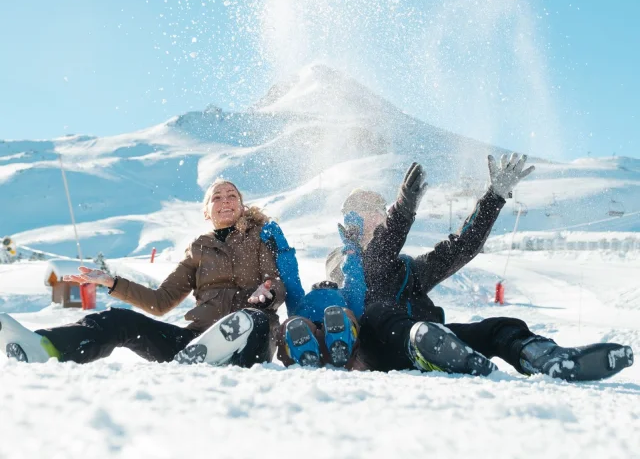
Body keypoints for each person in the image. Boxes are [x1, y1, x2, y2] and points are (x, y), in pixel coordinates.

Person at [330, 156, 634, 381]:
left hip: (437, 344)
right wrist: (404, 210)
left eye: (376, 211)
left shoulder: (408, 270)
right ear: (350, 222)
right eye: (361, 212)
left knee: (499, 327)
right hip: (379, 349)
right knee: (379, 313)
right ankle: (425, 342)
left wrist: (494, 197)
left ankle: (546, 358)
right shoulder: (341, 262)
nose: (371, 218)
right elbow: (373, 262)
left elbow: (460, 248)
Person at [0, 180, 285, 367]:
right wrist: (112, 282)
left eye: (232, 195)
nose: (225, 200)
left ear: (241, 205)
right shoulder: (198, 251)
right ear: (206, 212)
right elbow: (160, 302)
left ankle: (219, 353)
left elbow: (278, 282)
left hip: (250, 339)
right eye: (217, 197)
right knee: (118, 319)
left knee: (252, 319)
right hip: (196, 343)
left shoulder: (262, 238)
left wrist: (268, 292)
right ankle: (46, 348)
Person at [259, 220, 364, 369]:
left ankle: (329, 341)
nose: (325, 283)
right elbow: (291, 280)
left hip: (339, 340)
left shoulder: (344, 296)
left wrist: (351, 250)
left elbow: (355, 282)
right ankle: (311, 345)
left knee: (341, 315)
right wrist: (281, 250)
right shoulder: (304, 300)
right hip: (309, 333)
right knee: (295, 323)